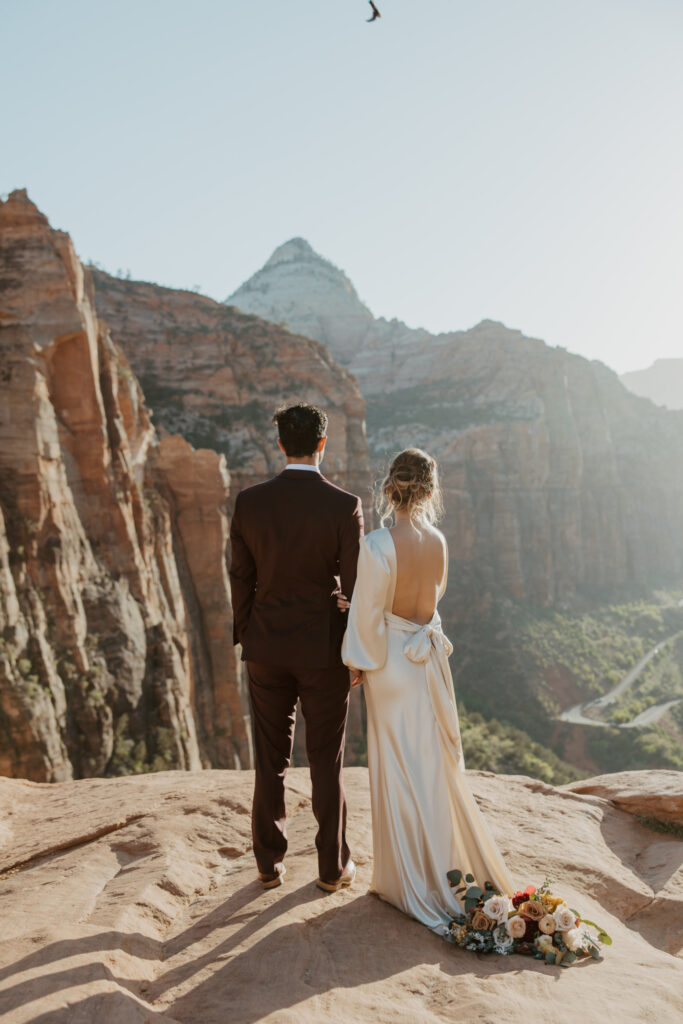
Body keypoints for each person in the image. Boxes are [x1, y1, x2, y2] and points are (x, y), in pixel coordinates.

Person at [339, 447, 515, 934]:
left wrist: (357, 663)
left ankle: (406, 881)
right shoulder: (437, 541)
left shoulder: (376, 543)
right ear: (430, 490)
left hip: (392, 665)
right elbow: (431, 600)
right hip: (428, 658)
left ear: (389, 488)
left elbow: (370, 614)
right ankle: (444, 870)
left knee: (397, 769)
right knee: (432, 766)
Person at [229, 402, 364, 892]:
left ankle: (269, 862)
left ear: (281, 443)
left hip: (265, 647)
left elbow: (241, 577)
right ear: (323, 444)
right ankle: (331, 869)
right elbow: (356, 586)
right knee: (326, 759)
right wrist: (355, 649)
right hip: (324, 648)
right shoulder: (343, 504)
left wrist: (248, 633)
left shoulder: (249, 502)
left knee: (271, 759)